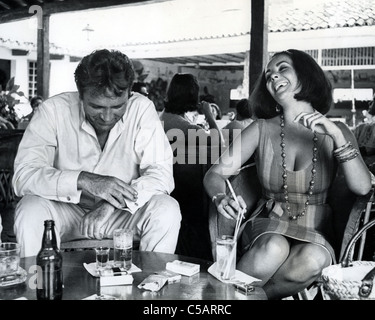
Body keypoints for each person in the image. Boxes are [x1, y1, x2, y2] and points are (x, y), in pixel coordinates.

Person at [203, 49, 371, 300]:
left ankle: (238, 299)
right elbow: (214, 174)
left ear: (306, 75)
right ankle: (221, 300)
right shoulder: (260, 128)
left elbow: (362, 188)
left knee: (315, 258)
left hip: (316, 230)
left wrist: (335, 135)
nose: (273, 77)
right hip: (267, 225)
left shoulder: (339, 131)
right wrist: (219, 197)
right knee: (274, 247)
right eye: (269, 74)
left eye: (282, 68)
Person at [12, 49, 181, 258]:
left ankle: (152, 284)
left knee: (167, 209)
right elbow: (24, 177)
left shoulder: (142, 109)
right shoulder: (52, 111)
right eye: (96, 106)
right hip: (66, 211)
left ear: (129, 93)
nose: (107, 116)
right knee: (30, 209)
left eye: (118, 106)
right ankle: (39, 284)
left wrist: (111, 203)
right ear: (80, 94)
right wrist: (84, 180)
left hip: (121, 213)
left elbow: (161, 174)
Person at [159, 73, 222, 147]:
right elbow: (217, 140)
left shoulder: (166, 114)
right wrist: (209, 114)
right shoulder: (182, 125)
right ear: (192, 95)